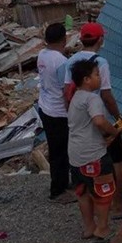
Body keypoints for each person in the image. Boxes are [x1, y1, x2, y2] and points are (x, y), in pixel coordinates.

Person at [61, 22, 122, 219]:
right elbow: (106, 95)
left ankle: (94, 209)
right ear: (100, 39)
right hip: (100, 118)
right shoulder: (101, 62)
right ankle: (116, 205)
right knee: (118, 159)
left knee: (89, 165)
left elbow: (67, 92)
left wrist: (72, 117)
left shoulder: (72, 60)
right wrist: (118, 119)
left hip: (81, 121)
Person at [67, 58, 122, 242]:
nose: (100, 78)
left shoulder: (75, 97)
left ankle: (89, 227)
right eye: (97, 75)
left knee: (83, 192)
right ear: (86, 79)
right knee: (103, 191)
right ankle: (103, 228)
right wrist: (113, 131)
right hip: (93, 154)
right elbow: (98, 120)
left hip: (75, 154)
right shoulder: (92, 98)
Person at [37, 23, 75, 203]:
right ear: (63, 39)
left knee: (57, 150)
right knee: (61, 151)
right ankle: (58, 191)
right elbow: (66, 91)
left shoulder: (42, 55)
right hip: (58, 112)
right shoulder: (61, 62)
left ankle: (62, 182)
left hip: (45, 108)